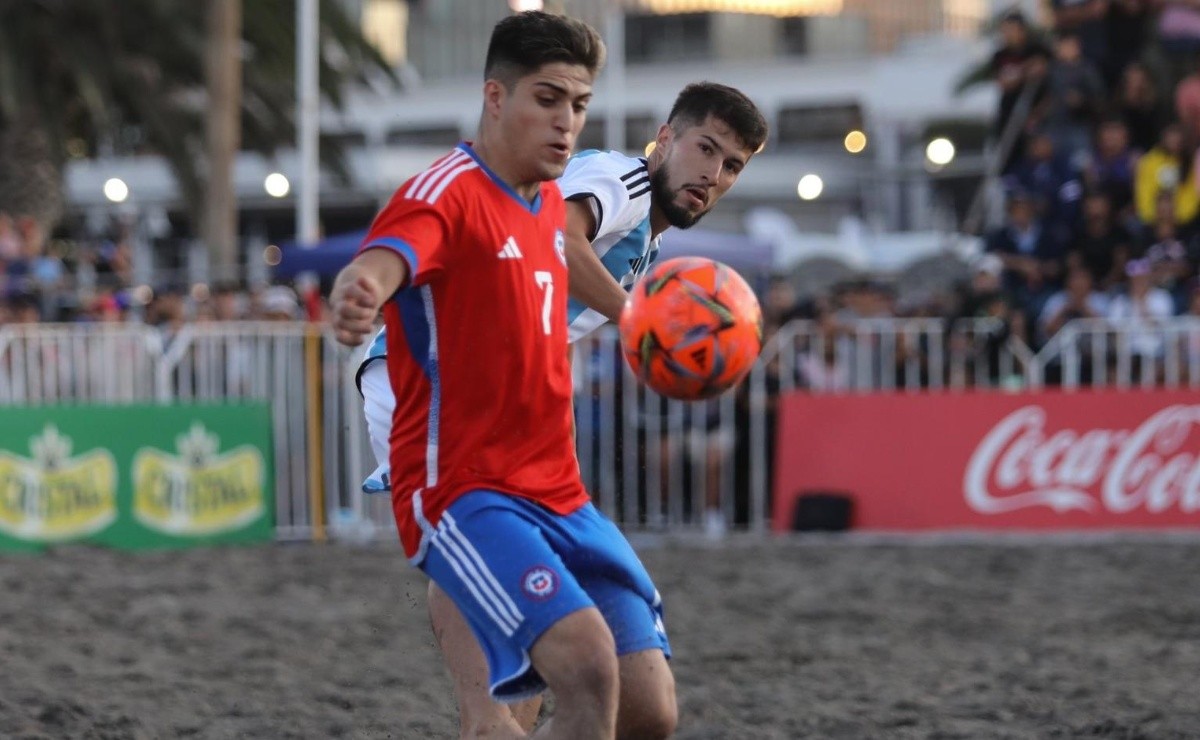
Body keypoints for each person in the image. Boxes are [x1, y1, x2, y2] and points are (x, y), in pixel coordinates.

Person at [352, 78, 768, 736]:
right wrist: (640, 321)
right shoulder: (621, 179)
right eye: (704, 149)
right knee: (483, 546)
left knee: (645, 712)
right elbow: (558, 240)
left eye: (732, 165)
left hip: (496, 391)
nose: (712, 174)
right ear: (664, 141)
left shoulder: (649, 240)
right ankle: (487, 716)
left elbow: (543, 299)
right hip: (435, 369)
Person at [331, 11, 666, 739]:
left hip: (560, 492)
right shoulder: (445, 190)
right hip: (463, 492)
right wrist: (362, 287)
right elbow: (385, 259)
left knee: (649, 709)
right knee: (583, 667)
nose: (566, 122)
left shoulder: (548, 201)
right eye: (547, 99)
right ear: (494, 97)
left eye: (578, 105)